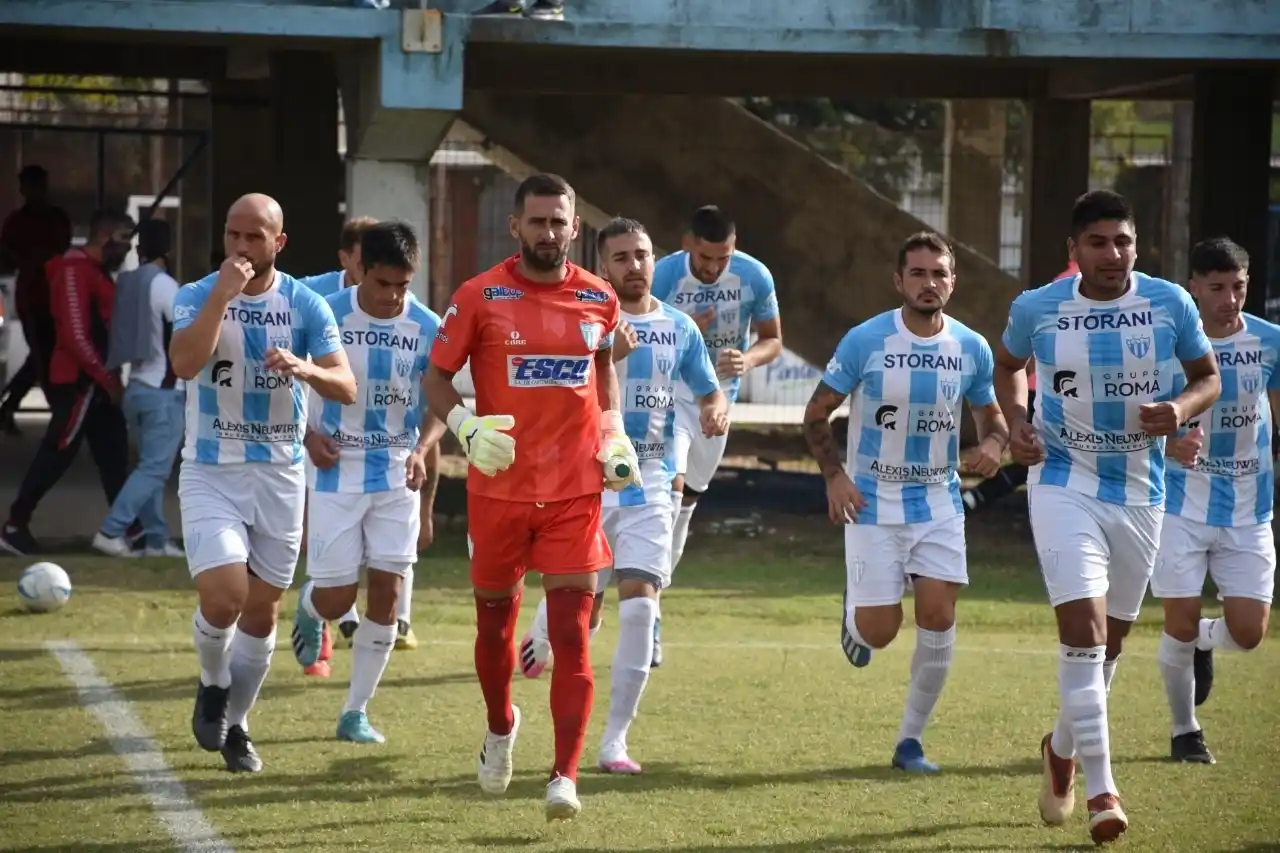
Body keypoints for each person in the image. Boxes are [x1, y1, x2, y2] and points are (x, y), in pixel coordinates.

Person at [993, 190, 1220, 845]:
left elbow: (1207, 377)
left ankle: (1060, 748)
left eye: (1122, 241)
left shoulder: (1169, 303)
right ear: (1075, 251)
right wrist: (1016, 422)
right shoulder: (1037, 308)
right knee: (1084, 631)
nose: (1112, 254)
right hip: (1063, 482)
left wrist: (1179, 410)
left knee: (1109, 646)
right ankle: (1102, 788)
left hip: (1142, 491)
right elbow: (1009, 365)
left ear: (1136, 246)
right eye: (1098, 242)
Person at [422, 173, 639, 822]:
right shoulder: (479, 295)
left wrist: (615, 432)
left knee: (572, 633)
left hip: (575, 492)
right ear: (515, 227)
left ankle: (564, 775)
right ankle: (500, 722)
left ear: (577, 228)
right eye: (537, 221)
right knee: (495, 627)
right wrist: (464, 427)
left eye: (559, 222)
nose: (549, 232)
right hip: (499, 494)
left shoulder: (600, 298)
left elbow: (602, 374)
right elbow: (435, 377)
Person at [516, 219, 728, 774]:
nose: (634, 266)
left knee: (639, 605)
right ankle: (542, 627)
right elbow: (549, 390)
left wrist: (713, 409)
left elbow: (706, 391)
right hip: (584, 481)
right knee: (580, 610)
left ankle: (614, 742)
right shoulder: (578, 318)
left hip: (650, 480)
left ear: (655, 260)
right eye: (621, 257)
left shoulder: (680, 326)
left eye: (642, 255)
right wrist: (606, 355)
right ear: (602, 265)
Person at [802, 231, 1007, 773]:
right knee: (880, 632)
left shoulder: (971, 347)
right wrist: (834, 477)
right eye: (917, 273)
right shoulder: (865, 341)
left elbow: (992, 418)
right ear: (899, 281)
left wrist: (991, 445)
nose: (929, 282)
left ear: (952, 281)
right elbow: (816, 414)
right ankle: (854, 614)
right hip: (870, 503)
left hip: (939, 501)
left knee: (938, 615)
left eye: (938, 273)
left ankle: (910, 742)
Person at [170, 193, 356, 774]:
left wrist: (307, 369)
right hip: (211, 469)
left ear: (279, 243)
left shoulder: (305, 305)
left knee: (261, 613)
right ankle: (211, 682)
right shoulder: (198, 294)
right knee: (225, 595)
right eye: (233, 236)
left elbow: (345, 386)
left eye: (255, 238)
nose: (242, 248)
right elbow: (183, 363)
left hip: (278, 475)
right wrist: (223, 297)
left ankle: (238, 726)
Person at [290, 221, 444, 743]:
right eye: (383, 284)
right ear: (359, 270)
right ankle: (311, 609)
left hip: (397, 472)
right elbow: (286, 384)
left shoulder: (427, 325)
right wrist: (309, 435)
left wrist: (423, 449)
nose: (393, 296)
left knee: (387, 591)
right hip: (336, 471)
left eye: (403, 285)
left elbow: (442, 401)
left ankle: (356, 712)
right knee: (337, 598)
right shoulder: (324, 314)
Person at [1154, 237, 1279, 765]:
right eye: (1219, 288)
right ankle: (1186, 731)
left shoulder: (1271, 342)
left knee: (1249, 634)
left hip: (1250, 509)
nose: (1230, 298)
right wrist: (1168, 444)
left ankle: (1209, 640)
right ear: (1194, 289)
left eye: (1239, 287)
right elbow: (1140, 420)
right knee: (1176, 622)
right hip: (1181, 505)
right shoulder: (1169, 346)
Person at [648, 205, 782, 666]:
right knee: (669, 491)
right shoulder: (663, 275)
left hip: (717, 403)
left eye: (722, 258)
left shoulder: (754, 277)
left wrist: (749, 360)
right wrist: (684, 332)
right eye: (706, 258)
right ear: (689, 245)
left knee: (685, 505)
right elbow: (639, 333)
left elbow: (772, 339)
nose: (713, 267)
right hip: (666, 399)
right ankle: (649, 616)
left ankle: (654, 593)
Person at [0, 209, 134, 557]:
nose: (127, 249)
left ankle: (127, 528)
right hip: (80, 383)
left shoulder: (93, 271)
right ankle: (15, 524)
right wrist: (106, 379)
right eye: (124, 241)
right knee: (57, 452)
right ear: (106, 238)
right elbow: (75, 335)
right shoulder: (74, 271)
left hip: (95, 383)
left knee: (114, 453)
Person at [92, 218, 185, 558]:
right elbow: (185, 338)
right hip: (163, 391)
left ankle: (156, 540)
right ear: (169, 250)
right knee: (154, 469)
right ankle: (111, 530)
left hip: (136, 387)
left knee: (149, 468)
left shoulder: (127, 283)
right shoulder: (165, 286)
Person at [960, 262, 1080, 513]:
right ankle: (976, 497)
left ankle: (977, 497)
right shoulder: (1071, 284)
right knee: (1036, 459)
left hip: (1047, 390)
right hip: (1050, 393)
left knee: (1041, 460)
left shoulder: (1065, 279)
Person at [0, 165, 72, 435]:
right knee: (43, 356)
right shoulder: (17, 221)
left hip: (56, 294)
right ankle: (58, 412)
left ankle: (11, 405)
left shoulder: (56, 218)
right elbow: (6, 256)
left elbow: (62, 250)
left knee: (45, 355)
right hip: (32, 296)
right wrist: (28, 263)